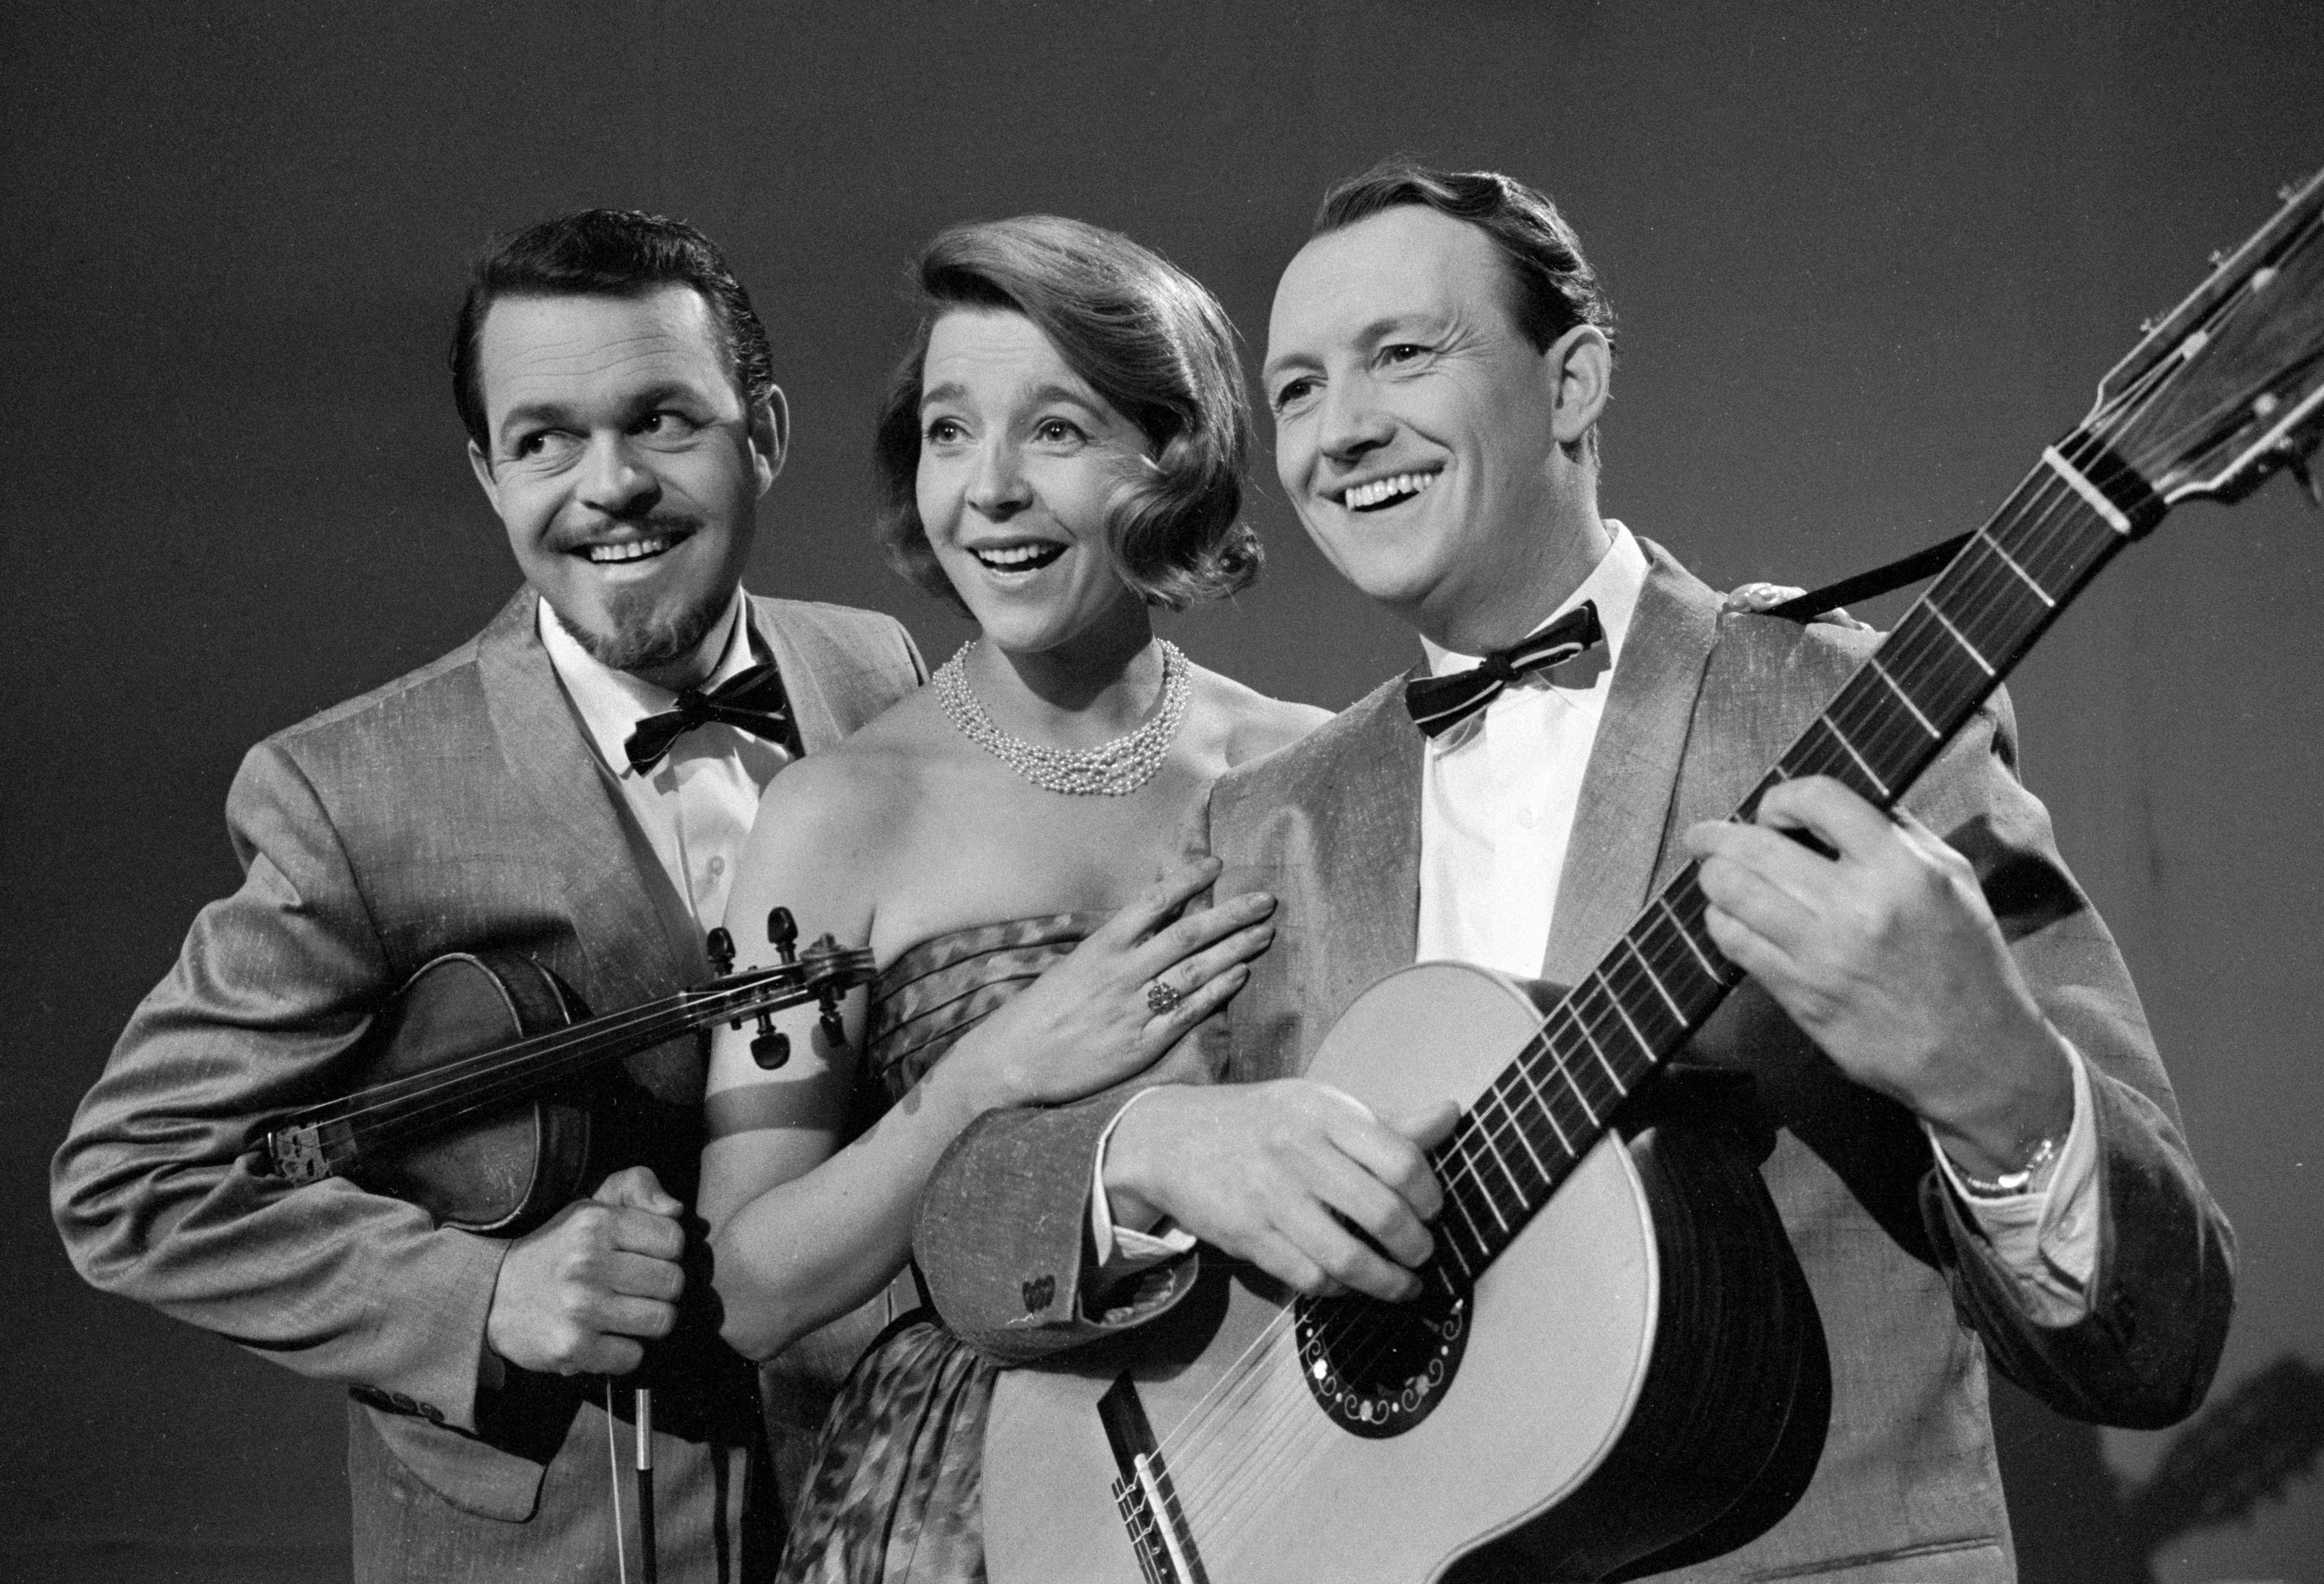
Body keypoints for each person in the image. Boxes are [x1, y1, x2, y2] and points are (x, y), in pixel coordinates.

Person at [913, 162, 2236, 1581]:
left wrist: (1995, 1078)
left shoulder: (1850, 720)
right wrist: (1161, 1149)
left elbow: (2152, 1338)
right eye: (1294, 391)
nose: (1342, 430)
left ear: (1574, 383)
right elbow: (972, 1227)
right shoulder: (1268, 820)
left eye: (1401, 354)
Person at [52, 209, 926, 1583]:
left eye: (662, 420)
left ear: (762, 429)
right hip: (555, 1545)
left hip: (875, 1500)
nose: (610, 484)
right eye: (545, 440)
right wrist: (488, 1296)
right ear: (486, 472)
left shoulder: (878, 670)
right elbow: (131, 1180)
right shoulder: (350, 791)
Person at [694, 214, 1327, 1583]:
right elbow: (751, 1287)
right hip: (967, 1506)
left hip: (1291, 1463)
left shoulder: (1315, 765)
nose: (985, 489)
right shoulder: (837, 814)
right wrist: (996, 1066)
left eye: (1052, 431)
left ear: (1172, 455)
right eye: (945, 432)